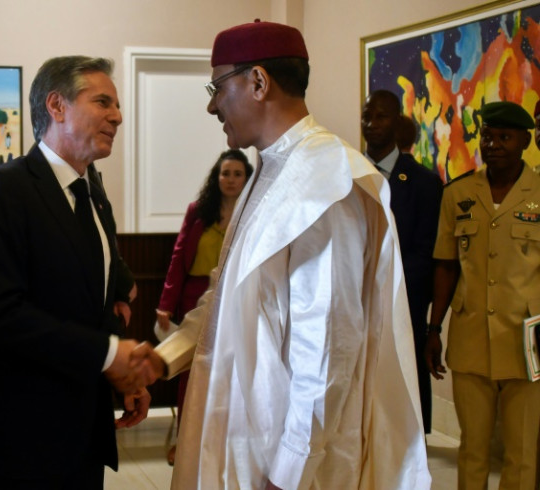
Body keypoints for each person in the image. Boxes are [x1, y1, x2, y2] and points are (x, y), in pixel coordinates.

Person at [132, 20, 430, 489]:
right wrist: (164, 357)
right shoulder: (268, 169)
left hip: (287, 456)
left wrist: (289, 471)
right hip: (242, 430)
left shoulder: (325, 178)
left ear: (257, 82)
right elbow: (228, 296)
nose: (211, 105)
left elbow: (331, 344)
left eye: (217, 87)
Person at [0, 56, 150, 489]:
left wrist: (124, 379)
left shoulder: (94, 189)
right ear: (57, 106)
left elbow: (97, 293)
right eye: (102, 102)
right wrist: (110, 356)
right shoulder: (4, 189)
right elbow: (0, 315)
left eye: (116, 105)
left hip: (82, 425)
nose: (118, 115)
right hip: (18, 429)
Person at [426, 100, 540, 490]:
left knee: (521, 453)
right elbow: (445, 264)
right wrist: (433, 327)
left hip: (527, 342)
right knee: (471, 448)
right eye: (488, 137)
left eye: (504, 137)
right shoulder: (458, 193)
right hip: (471, 336)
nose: (493, 145)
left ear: (525, 141)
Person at [156, 148, 253, 465]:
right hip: (195, 299)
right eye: (226, 173)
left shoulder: (255, 211)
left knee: (233, 372)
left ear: (247, 178)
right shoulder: (198, 212)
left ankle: (225, 441)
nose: (231, 179)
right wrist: (166, 304)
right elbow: (178, 258)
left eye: (238, 174)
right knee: (192, 372)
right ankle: (186, 442)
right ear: (217, 176)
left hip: (239, 300)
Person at [361, 89, 443, 433]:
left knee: (403, 407)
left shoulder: (423, 182)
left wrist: (387, 285)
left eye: (380, 116)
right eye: (367, 116)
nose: (371, 124)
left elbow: (426, 252)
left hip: (404, 303)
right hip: (354, 302)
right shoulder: (347, 175)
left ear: (397, 122)